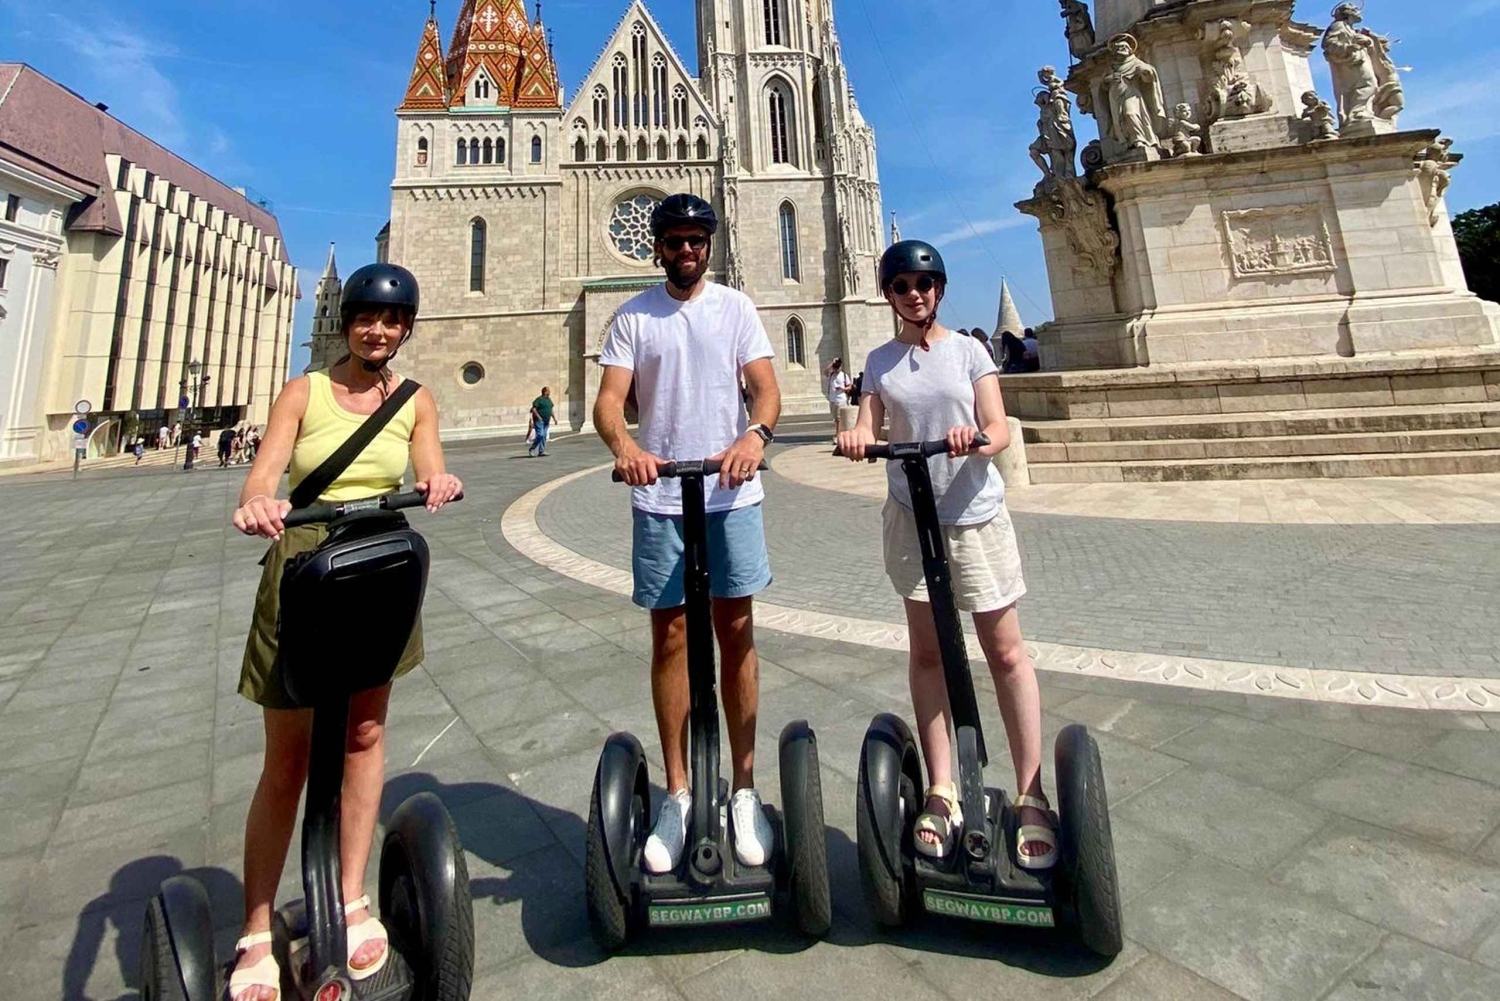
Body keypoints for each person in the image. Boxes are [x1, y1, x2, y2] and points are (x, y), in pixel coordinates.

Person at [225, 263, 462, 1001]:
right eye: (366, 319)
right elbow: (263, 474)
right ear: (346, 322)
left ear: (405, 331)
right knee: (287, 761)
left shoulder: (418, 402)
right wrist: (259, 503)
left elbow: (431, 467)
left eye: (391, 322)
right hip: (304, 568)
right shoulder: (304, 392)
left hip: (378, 568)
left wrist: (441, 483)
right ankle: (257, 931)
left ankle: (353, 897)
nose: (378, 330)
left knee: (364, 736)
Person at [836, 240, 1055, 869]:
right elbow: (869, 422)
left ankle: (1031, 792)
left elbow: (1000, 422)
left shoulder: (969, 351)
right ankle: (942, 788)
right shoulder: (879, 360)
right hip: (912, 519)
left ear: (940, 291)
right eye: (903, 285)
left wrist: (977, 438)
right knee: (927, 653)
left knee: (1005, 651)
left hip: (974, 517)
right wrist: (856, 436)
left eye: (925, 285)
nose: (916, 294)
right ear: (889, 293)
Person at [594, 192, 781, 875]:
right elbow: (609, 402)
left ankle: (745, 788)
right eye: (674, 240)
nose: (686, 249)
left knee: (736, 629)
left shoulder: (736, 308)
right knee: (669, 636)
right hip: (661, 495)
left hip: (732, 494)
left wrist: (755, 436)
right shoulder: (633, 316)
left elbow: (766, 390)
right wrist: (624, 446)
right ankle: (676, 792)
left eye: (696, 240)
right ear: (659, 246)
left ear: (709, 244)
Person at [825, 357, 853, 438]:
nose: (836, 369)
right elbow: (825, 372)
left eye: (838, 367)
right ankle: (841, 433)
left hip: (841, 399)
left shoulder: (844, 375)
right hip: (832, 399)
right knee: (835, 418)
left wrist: (843, 389)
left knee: (839, 418)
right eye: (835, 367)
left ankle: (838, 435)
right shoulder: (831, 375)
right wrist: (831, 363)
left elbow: (849, 386)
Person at [527, 386, 555, 457]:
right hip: (539, 421)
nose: (550, 392)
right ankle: (532, 449)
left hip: (546, 421)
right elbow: (533, 409)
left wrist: (554, 418)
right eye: (548, 391)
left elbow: (551, 409)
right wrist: (539, 417)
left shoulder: (549, 400)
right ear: (545, 392)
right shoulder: (539, 400)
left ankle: (541, 451)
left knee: (544, 436)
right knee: (540, 435)